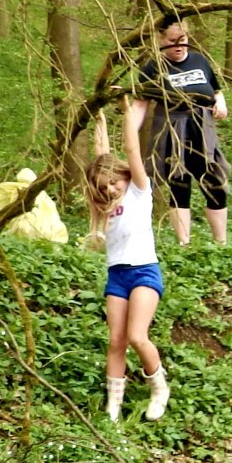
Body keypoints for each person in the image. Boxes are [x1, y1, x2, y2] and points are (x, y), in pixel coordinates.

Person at [83, 108, 169, 422]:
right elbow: (100, 156)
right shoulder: (109, 204)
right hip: (117, 275)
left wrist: (128, 113)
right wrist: (100, 121)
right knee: (116, 340)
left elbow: (131, 149)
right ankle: (113, 408)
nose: (109, 190)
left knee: (136, 336)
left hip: (144, 271)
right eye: (103, 187)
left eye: (113, 183)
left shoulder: (138, 192)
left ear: (125, 177)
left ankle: (159, 388)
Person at [125, 15, 231, 248]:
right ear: (161, 40)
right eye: (172, 41)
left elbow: (215, 89)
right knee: (179, 186)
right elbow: (140, 105)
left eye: (182, 39)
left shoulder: (199, 60)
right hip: (172, 130)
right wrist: (129, 134)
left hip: (203, 130)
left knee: (215, 184)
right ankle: (184, 244)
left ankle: (221, 244)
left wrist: (220, 102)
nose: (178, 46)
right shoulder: (153, 68)